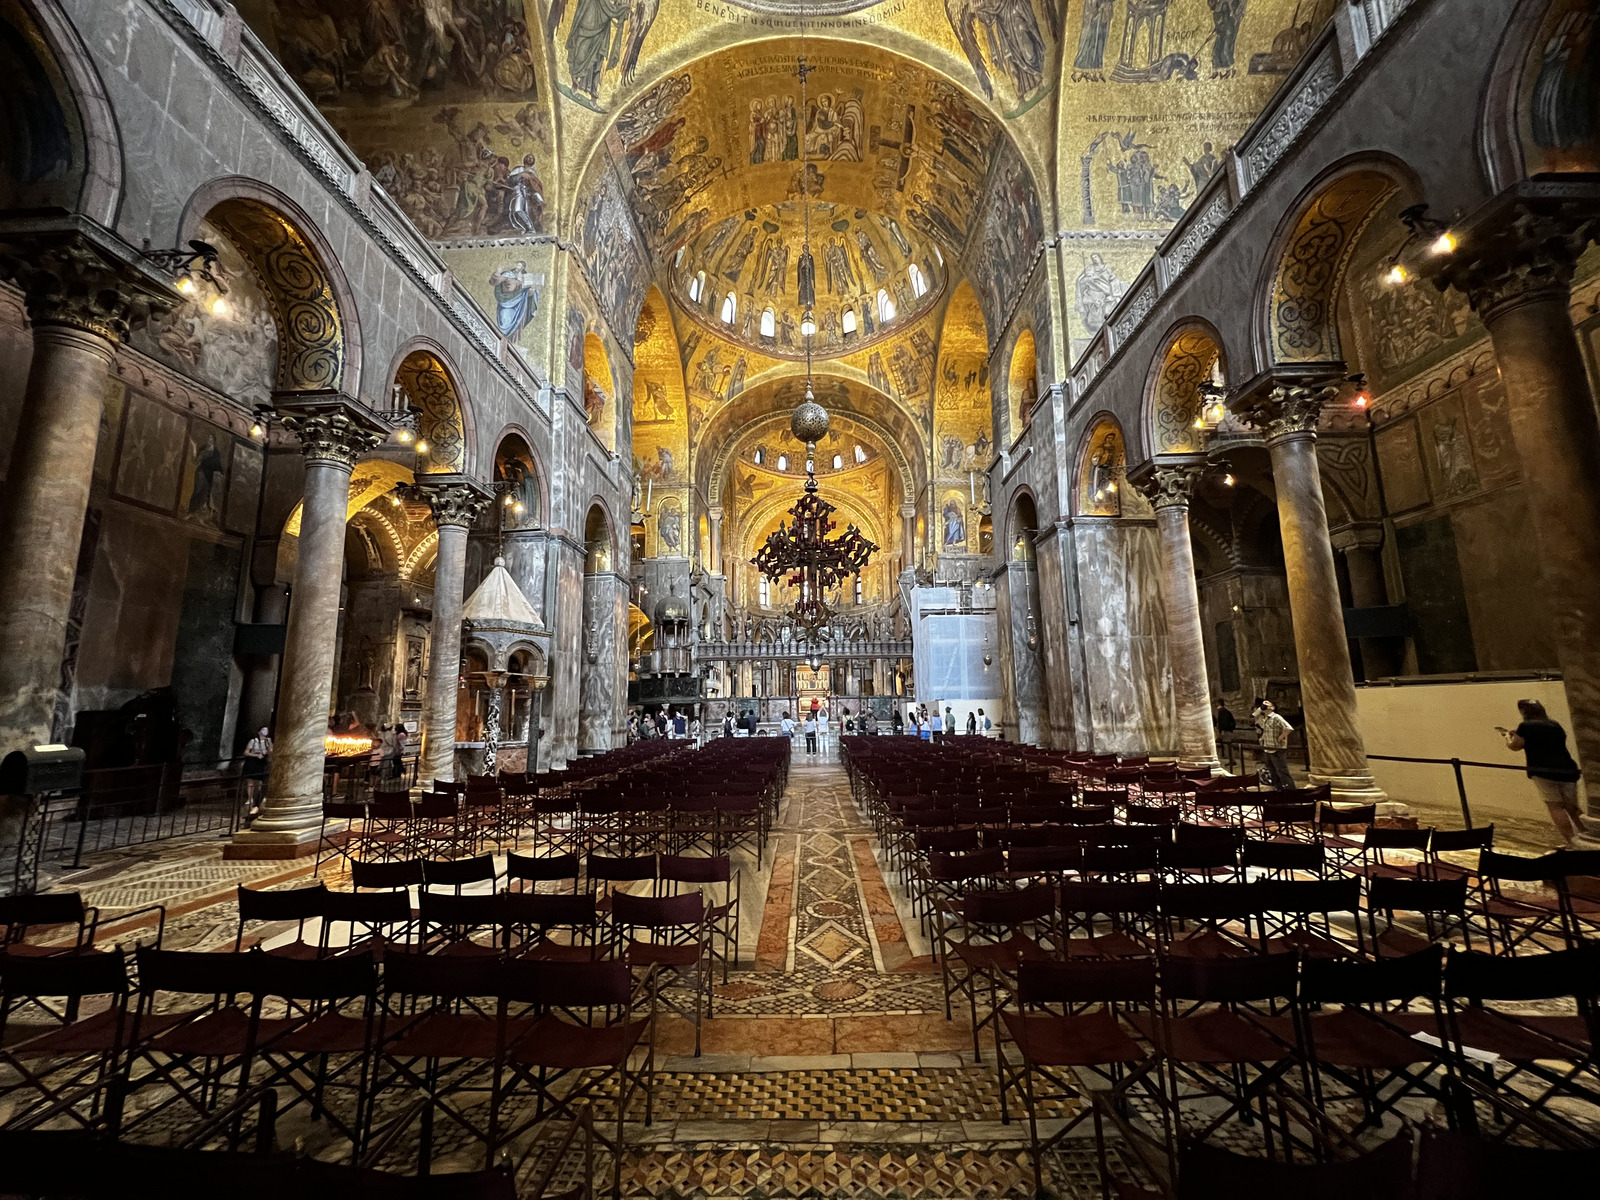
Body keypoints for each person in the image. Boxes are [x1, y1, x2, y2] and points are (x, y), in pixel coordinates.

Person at [1500, 699, 1584, 844]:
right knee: (1572, 807)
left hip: (1543, 770)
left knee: (1555, 806)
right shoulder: (1554, 725)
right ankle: (1588, 836)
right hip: (1567, 769)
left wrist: (1508, 737)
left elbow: (1516, 746)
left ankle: (1572, 841)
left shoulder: (1526, 726)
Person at [1254, 699, 1294, 790]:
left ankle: (1291, 791)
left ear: (1272, 707)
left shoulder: (1276, 717)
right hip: (1268, 749)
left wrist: (1281, 736)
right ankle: (1278, 790)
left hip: (1277, 749)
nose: (1265, 703)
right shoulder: (1265, 719)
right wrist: (1261, 708)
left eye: (1268, 703)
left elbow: (1288, 728)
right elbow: (1254, 716)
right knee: (1273, 772)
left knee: (1282, 771)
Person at [243, 726, 272, 813]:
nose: (265, 731)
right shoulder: (253, 741)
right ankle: (250, 798)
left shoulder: (268, 741)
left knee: (260, 781)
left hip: (262, 761)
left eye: (266, 730)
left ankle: (258, 798)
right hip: (253, 761)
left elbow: (271, 750)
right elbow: (246, 752)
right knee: (250, 780)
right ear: (259, 732)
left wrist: (270, 750)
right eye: (263, 729)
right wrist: (256, 755)